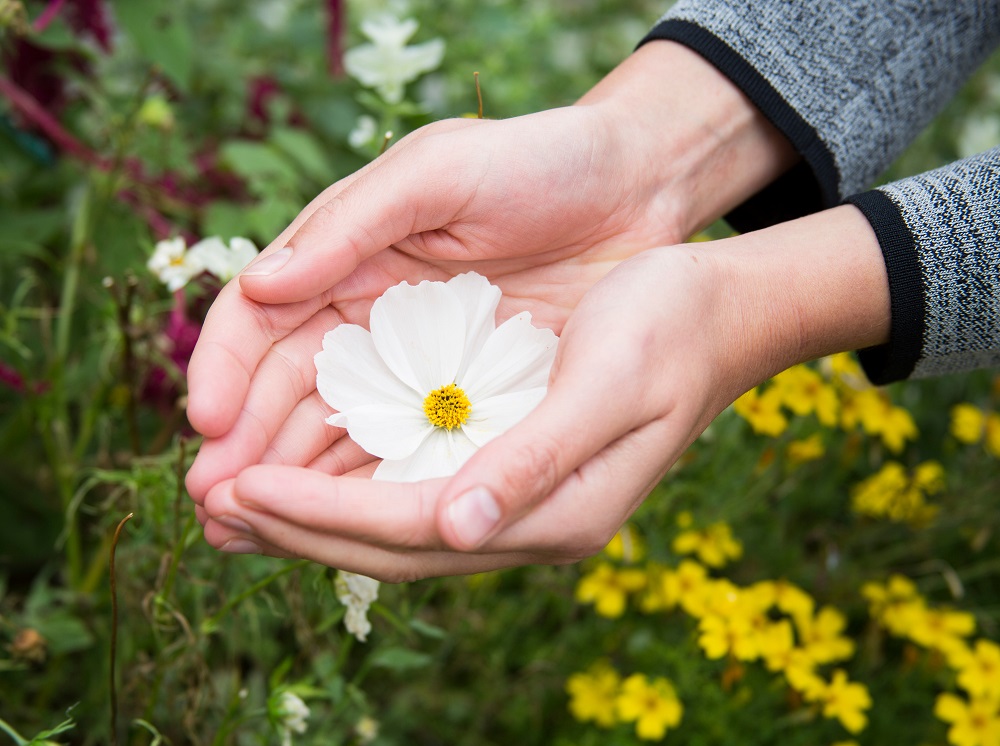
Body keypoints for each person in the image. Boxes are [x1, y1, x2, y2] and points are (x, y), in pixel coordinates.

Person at [185, 0, 1000, 581]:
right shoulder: (448, 383)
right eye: (442, 404)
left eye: (446, 404)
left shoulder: (466, 394)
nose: (446, 405)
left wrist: (763, 302)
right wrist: (646, 147)